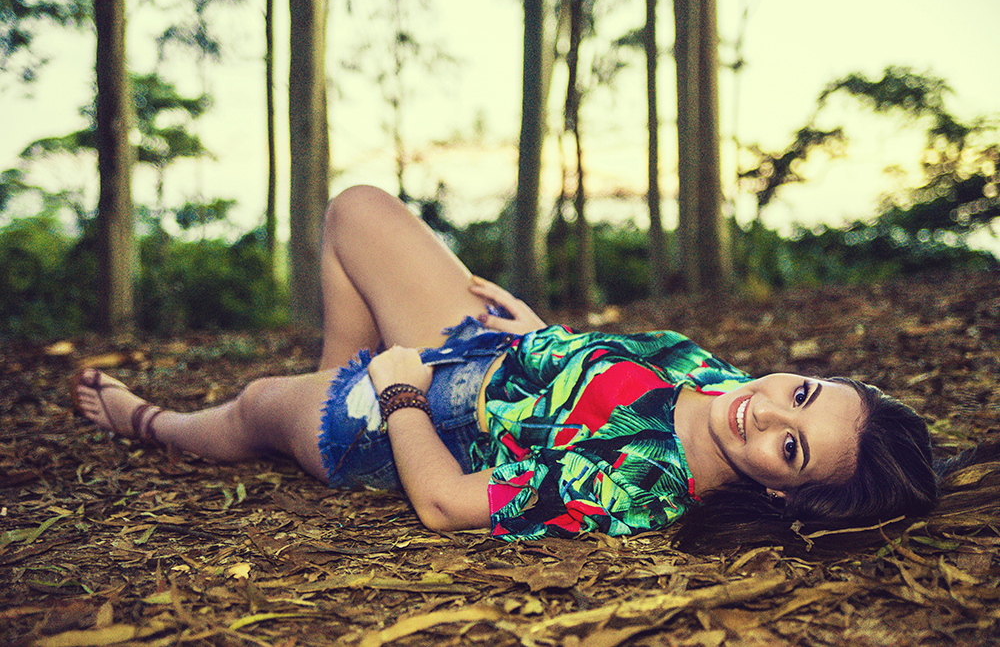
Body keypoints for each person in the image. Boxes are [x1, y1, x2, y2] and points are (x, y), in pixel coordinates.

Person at [72, 185, 943, 550]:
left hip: (414, 422)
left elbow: (449, 506)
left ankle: (149, 419)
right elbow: (610, 372)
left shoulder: (642, 483)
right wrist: (544, 332)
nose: (767, 413)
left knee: (254, 406)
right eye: (801, 395)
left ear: (784, 493)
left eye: (791, 448)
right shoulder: (718, 379)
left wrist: (401, 392)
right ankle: (337, 371)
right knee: (356, 211)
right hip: (485, 350)